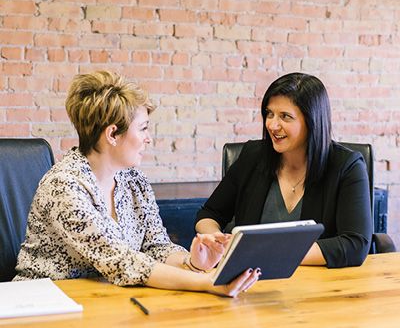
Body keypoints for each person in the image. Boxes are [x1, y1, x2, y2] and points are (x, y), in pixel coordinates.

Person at [14, 70, 260, 297]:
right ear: (112, 134)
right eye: (143, 129)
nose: (148, 139)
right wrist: (208, 283)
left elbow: (156, 247)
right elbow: (122, 261)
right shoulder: (64, 186)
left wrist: (193, 263)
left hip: (106, 300)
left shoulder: (134, 181)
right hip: (42, 304)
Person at [195, 72, 372, 268]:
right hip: (250, 281)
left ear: (312, 121)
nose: (272, 125)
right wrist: (215, 239)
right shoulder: (253, 156)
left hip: (318, 285)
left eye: (285, 117)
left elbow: (355, 244)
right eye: (269, 114)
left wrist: (267, 254)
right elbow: (209, 213)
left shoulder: (347, 166)